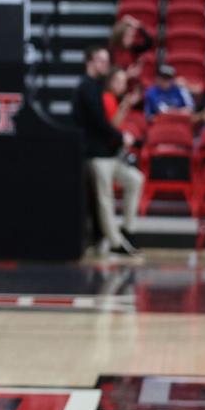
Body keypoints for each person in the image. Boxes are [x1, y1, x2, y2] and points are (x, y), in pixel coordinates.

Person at [73, 46, 142, 256]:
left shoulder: (100, 88)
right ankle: (114, 241)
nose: (104, 64)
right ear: (89, 62)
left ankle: (127, 230)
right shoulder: (86, 88)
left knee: (135, 179)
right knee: (105, 196)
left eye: (106, 60)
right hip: (95, 153)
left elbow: (110, 122)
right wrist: (122, 137)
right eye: (100, 60)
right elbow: (102, 123)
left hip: (109, 152)